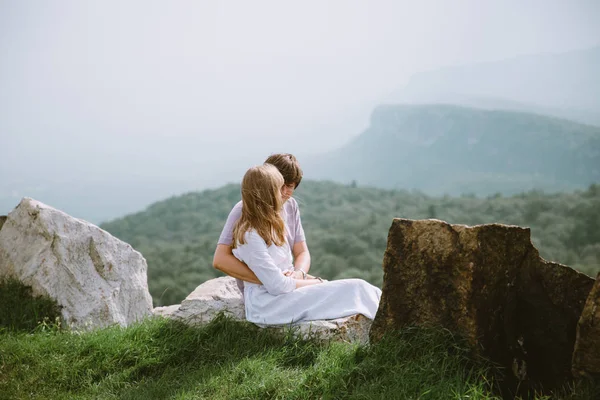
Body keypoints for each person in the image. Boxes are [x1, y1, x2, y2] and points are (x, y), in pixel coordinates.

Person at [229, 164, 381, 325]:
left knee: (363, 288)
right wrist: (317, 282)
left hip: (283, 294)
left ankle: (398, 325)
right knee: (355, 288)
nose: (284, 194)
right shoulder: (249, 235)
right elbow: (277, 285)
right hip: (268, 305)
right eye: (279, 188)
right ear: (266, 194)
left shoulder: (271, 224)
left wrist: (300, 277)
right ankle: (395, 330)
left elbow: (283, 272)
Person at [213, 153, 310, 287]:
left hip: (286, 282)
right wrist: (270, 279)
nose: (284, 191)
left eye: (290, 186)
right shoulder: (244, 208)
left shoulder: (291, 205)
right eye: (280, 185)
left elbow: (302, 251)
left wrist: (299, 274)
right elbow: (220, 259)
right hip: (264, 291)